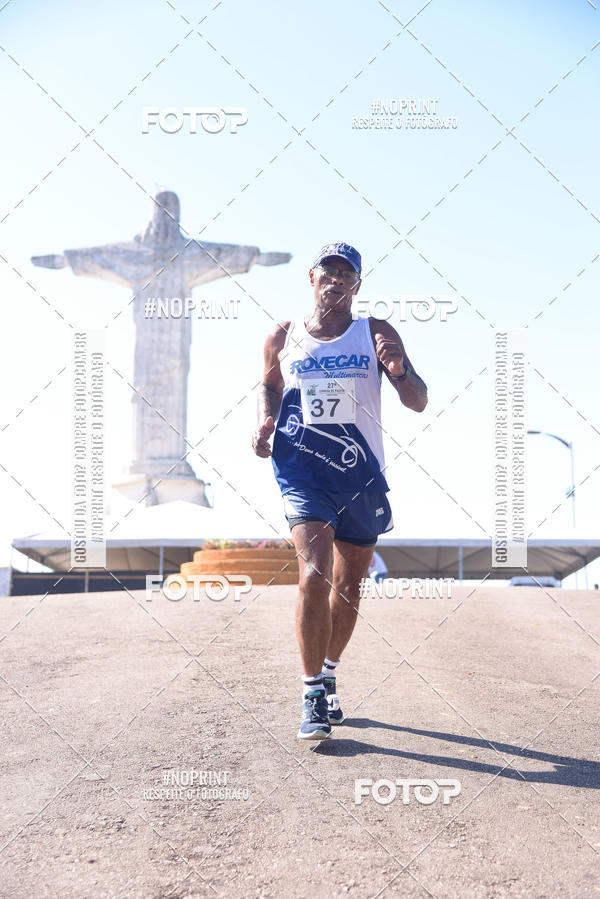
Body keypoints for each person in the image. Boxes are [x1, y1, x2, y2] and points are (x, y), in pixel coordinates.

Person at [251, 242, 428, 739]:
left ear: (356, 284)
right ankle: (310, 694)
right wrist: (266, 421)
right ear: (311, 277)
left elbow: (417, 401)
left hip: (361, 473)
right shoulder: (282, 335)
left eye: (345, 273)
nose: (334, 279)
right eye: (326, 271)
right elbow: (270, 385)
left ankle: (328, 675)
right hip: (303, 469)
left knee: (349, 586)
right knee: (314, 574)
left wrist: (399, 370)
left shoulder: (374, 332)